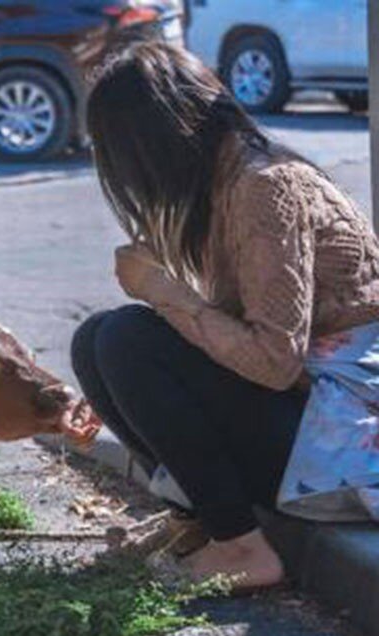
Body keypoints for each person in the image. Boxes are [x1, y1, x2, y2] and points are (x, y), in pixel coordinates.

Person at [72, 41, 379, 590]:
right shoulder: (228, 181)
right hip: (317, 416)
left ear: (156, 144)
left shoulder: (264, 188)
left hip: (346, 444)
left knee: (126, 340)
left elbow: (272, 363)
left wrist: (166, 291)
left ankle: (241, 545)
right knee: (95, 339)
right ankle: (198, 521)